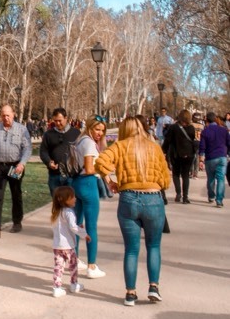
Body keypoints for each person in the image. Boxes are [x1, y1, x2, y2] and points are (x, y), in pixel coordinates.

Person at [95, 117, 170, 306]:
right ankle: (154, 287)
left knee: (131, 249)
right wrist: (155, 183)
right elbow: (165, 180)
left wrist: (109, 180)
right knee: (153, 246)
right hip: (153, 198)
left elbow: (100, 162)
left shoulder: (120, 146)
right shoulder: (154, 148)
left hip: (128, 197)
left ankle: (130, 293)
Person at [70, 115, 107, 278]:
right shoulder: (90, 144)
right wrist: (103, 170)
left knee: (77, 224)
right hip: (88, 183)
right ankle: (92, 265)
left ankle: (74, 259)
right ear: (90, 128)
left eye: (102, 130)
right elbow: (90, 168)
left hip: (76, 183)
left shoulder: (80, 140)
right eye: (97, 129)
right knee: (91, 226)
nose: (100, 133)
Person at [0, 104, 32, 237]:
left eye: (8, 115)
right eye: (3, 115)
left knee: (16, 194)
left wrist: (22, 164)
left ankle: (17, 222)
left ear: (13, 114)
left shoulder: (21, 129)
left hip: (14, 166)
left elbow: (27, 148)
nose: (6, 118)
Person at [51, 184, 90, 297]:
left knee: (58, 266)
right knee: (73, 265)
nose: (75, 199)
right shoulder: (69, 212)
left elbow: (63, 227)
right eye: (72, 197)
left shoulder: (56, 212)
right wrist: (84, 234)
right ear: (65, 200)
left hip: (57, 245)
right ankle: (74, 284)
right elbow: (73, 227)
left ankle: (57, 287)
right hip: (68, 246)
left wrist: (79, 228)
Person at [39, 107, 80, 196]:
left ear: (66, 118)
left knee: (71, 204)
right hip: (54, 176)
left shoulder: (76, 133)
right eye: (55, 121)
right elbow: (43, 152)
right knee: (57, 205)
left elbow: (81, 152)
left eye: (60, 120)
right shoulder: (48, 134)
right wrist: (49, 162)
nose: (57, 123)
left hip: (71, 176)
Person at [161, 109, 195, 203]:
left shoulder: (173, 127)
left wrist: (163, 151)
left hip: (176, 154)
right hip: (188, 154)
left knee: (176, 174)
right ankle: (185, 197)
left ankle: (178, 193)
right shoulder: (191, 128)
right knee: (185, 175)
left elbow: (167, 140)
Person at [198, 112, 230, 207]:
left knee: (211, 178)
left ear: (206, 120)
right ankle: (219, 200)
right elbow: (229, 143)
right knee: (221, 179)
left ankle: (211, 196)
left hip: (210, 157)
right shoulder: (224, 130)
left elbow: (202, 146)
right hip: (222, 156)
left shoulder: (205, 131)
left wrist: (201, 159)